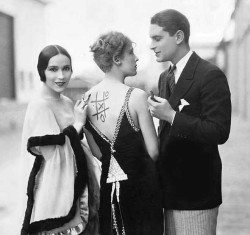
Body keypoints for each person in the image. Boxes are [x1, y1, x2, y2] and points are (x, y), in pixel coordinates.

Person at [147, 9, 232, 235]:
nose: (151, 45)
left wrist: (171, 116)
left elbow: (219, 131)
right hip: (169, 190)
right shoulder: (165, 77)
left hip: (197, 192)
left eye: (157, 38)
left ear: (178, 37)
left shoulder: (210, 74)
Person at [83, 31, 163, 235]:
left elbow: (98, 153)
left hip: (109, 194)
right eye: (131, 52)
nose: (136, 58)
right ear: (117, 59)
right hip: (142, 190)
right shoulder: (136, 97)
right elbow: (153, 152)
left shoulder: (86, 100)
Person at [20, 45, 93, 235]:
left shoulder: (67, 103)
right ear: (41, 71)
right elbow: (54, 156)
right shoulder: (39, 105)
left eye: (66, 68)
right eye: (53, 69)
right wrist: (77, 125)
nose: (61, 76)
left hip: (76, 190)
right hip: (53, 193)